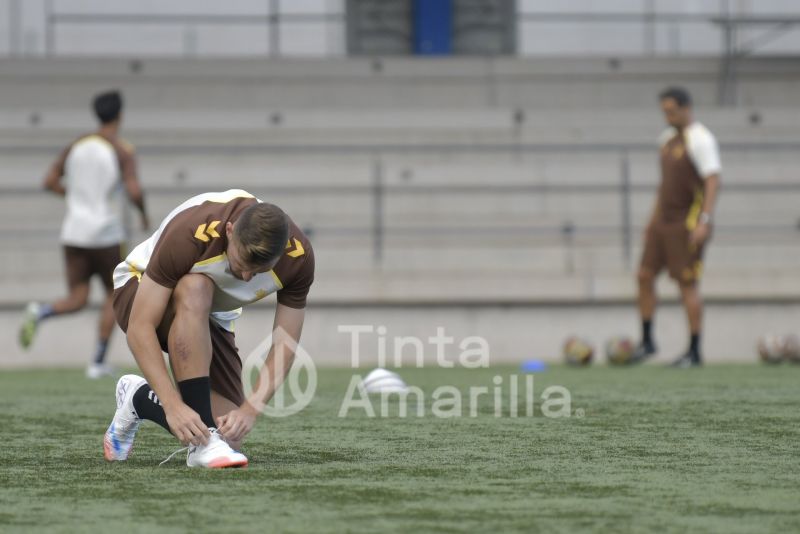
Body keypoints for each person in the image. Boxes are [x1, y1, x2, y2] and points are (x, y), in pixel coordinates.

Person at [103, 189, 314, 468]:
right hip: (139, 290)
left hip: (210, 314)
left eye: (259, 271)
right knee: (196, 286)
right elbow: (139, 328)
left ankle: (139, 398)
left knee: (230, 438)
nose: (247, 277)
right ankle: (200, 448)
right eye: (242, 264)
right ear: (229, 231)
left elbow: (284, 345)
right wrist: (171, 403)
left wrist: (251, 410)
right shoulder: (190, 232)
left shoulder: (298, 258)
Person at [19, 90, 149, 379]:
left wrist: (77, 198)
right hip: (106, 233)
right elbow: (135, 189)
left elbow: (49, 181)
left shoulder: (76, 144)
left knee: (77, 297)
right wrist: (143, 213)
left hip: (73, 232)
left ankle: (40, 312)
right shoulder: (121, 149)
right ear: (119, 115)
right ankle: (98, 361)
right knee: (113, 295)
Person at [632, 87, 721, 368]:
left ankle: (694, 350)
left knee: (686, 283)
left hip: (687, 222)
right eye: (664, 112)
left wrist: (704, 220)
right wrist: (651, 220)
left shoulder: (702, 140)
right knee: (644, 275)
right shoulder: (667, 139)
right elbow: (664, 186)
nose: (667, 116)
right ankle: (647, 340)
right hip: (662, 222)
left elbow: (712, 181)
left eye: (671, 111)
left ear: (685, 108)